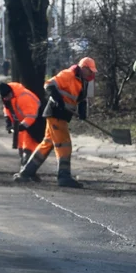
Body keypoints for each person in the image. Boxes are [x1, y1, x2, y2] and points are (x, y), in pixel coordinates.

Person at [14, 57, 96, 188]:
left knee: (47, 144)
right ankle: (64, 177)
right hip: (55, 113)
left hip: (62, 115)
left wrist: (82, 112)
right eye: (90, 71)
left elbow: (81, 99)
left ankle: (27, 172)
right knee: (64, 144)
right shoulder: (68, 74)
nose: (91, 74)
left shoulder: (83, 81)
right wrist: (58, 100)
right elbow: (49, 85)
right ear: (83, 68)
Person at [0, 81, 44, 170]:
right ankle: (25, 169)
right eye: (5, 98)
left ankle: (27, 171)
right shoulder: (7, 97)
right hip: (22, 124)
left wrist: (20, 127)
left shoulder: (24, 97)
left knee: (29, 148)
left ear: (11, 92)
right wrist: (8, 121)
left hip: (35, 123)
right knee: (21, 148)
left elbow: (31, 116)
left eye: (8, 96)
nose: (7, 99)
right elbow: (7, 109)